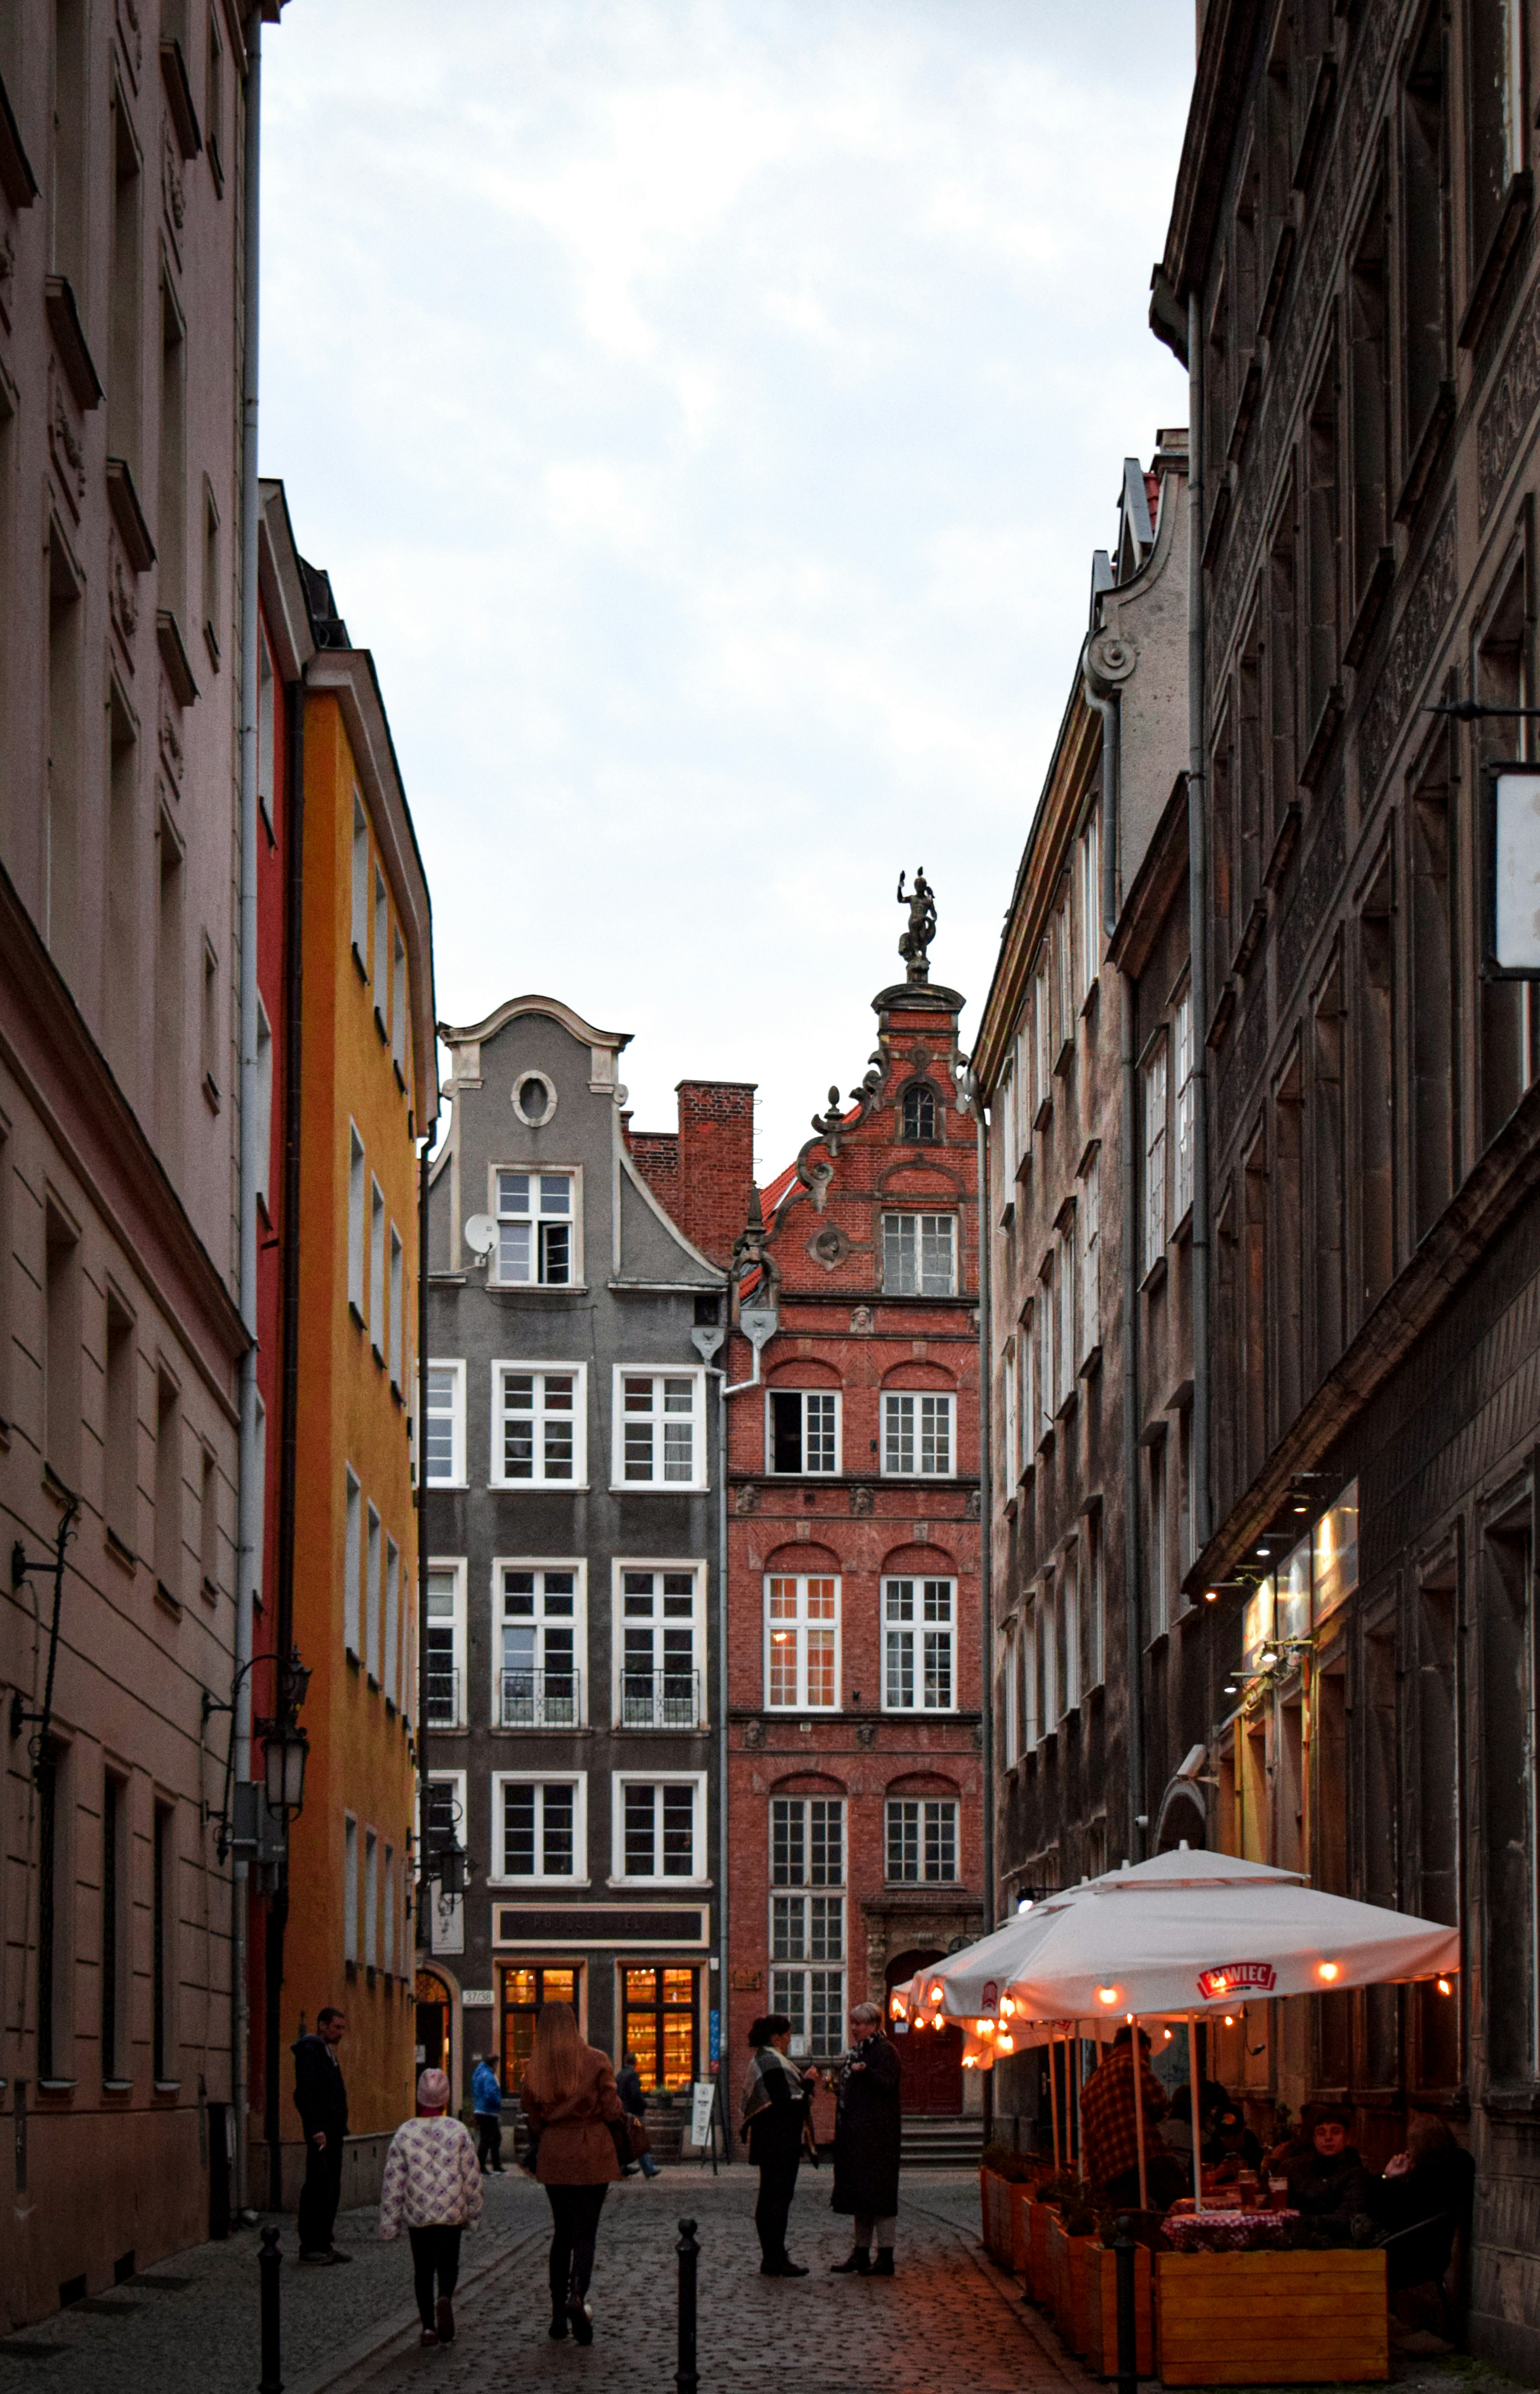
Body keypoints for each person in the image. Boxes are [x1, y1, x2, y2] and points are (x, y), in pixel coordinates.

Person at [521, 2000, 625, 2347]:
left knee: (562, 2233)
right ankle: (577, 2297)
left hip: (555, 2152)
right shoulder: (596, 2060)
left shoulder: (535, 2068)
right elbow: (612, 2111)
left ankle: (556, 2316)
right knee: (586, 2233)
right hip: (592, 2150)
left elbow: (533, 2119)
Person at [379, 2068, 483, 2347]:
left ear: (419, 2098)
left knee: (423, 2270)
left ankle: (427, 2327)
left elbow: (393, 2181)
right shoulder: (459, 2132)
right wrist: (474, 2213)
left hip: (419, 2213)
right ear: (446, 2098)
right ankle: (445, 2297)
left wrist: (390, 2223)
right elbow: (472, 2176)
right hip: (451, 2212)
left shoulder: (405, 2133)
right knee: (449, 2263)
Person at [741, 2014, 818, 2277]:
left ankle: (772, 2256)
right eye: (787, 2035)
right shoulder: (772, 2062)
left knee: (770, 2198)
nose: (789, 2040)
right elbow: (786, 2103)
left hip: (770, 2141)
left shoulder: (765, 2059)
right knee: (778, 2200)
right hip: (779, 2142)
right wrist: (808, 2082)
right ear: (776, 2038)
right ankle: (775, 2258)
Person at [829, 2001, 902, 2277]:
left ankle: (886, 2256)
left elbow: (886, 2084)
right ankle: (860, 2253)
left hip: (878, 2140)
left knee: (880, 2199)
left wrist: (865, 2073)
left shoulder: (885, 2052)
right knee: (861, 2198)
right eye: (852, 2023)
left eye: (858, 2024)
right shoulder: (858, 2052)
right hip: (856, 2138)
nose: (854, 2028)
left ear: (872, 2025)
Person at [1364, 2115, 1475, 2293]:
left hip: (1410, 2257)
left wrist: (1388, 2176)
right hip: (1430, 2254)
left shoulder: (1429, 2178)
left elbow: (1386, 2213)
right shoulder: (1458, 2164)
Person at [1079, 2024, 1185, 2210]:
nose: (1145, 2059)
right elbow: (1158, 2101)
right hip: (1142, 2155)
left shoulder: (1090, 2087)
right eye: (1145, 2054)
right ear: (1140, 2046)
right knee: (1179, 2201)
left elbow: (1088, 2140)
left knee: (1129, 2223)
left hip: (1111, 2171)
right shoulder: (1132, 2063)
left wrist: (1096, 2179)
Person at [293, 2006, 351, 2265]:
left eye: (342, 2028)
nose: (341, 2033)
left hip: (334, 2131)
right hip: (322, 2134)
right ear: (323, 2026)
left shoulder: (327, 2052)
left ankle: (324, 2243)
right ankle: (310, 2245)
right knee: (319, 2186)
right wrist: (316, 2128)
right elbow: (306, 2094)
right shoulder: (310, 2051)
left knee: (331, 2188)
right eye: (337, 2027)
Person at [1275, 2102, 1372, 2232]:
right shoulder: (1294, 2168)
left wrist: (1301, 2222)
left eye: (1336, 2132)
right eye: (1321, 2133)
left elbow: (1348, 2218)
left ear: (1347, 2137)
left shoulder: (1356, 2174)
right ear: (1315, 2139)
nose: (1328, 2138)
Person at [615, 2050, 660, 2179]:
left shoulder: (620, 2075)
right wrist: (644, 2103)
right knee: (639, 2139)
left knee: (628, 2140)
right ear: (635, 2063)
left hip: (623, 2111)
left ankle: (624, 2168)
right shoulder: (632, 2075)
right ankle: (648, 2169)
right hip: (634, 2113)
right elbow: (635, 2093)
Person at [471, 2054, 505, 2175]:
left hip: (481, 2110)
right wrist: (498, 2103)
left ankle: (495, 2165)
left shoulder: (479, 2074)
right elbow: (491, 2094)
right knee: (489, 2139)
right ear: (493, 2064)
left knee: (494, 2138)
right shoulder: (489, 2076)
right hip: (488, 2112)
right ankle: (483, 2166)